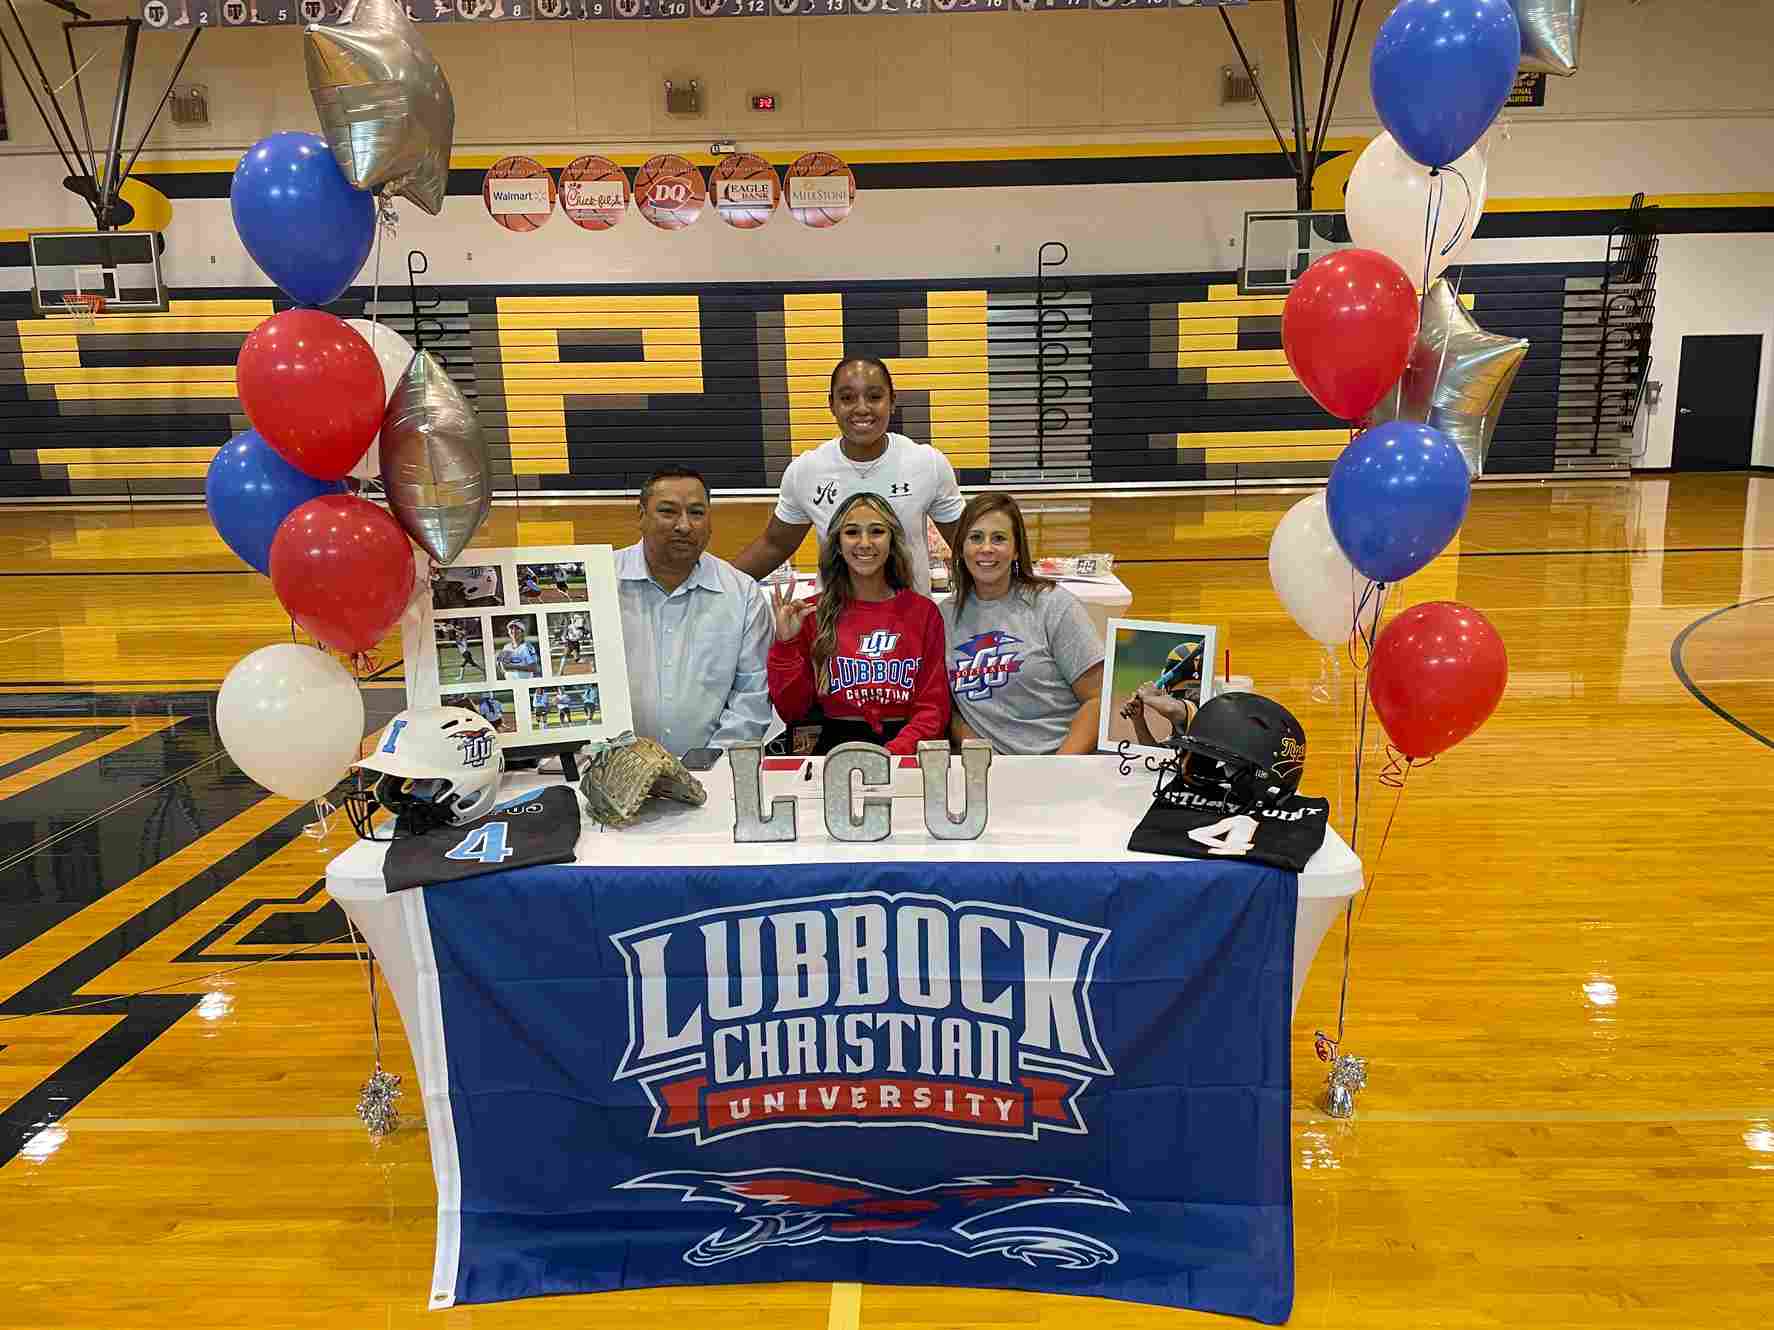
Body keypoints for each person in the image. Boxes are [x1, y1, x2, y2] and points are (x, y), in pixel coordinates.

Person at [734, 356, 965, 594]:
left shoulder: (928, 463)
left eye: (875, 397)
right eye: (847, 398)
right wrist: (716, 586)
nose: (862, 408)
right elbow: (774, 545)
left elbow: (967, 545)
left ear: (892, 402)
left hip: (910, 625)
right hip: (837, 624)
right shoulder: (805, 470)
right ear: (832, 405)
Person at [767, 491, 950, 755]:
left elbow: (933, 707)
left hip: (904, 747)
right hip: (832, 750)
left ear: (892, 541)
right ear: (838, 544)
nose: (864, 543)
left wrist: (895, 752)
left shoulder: (923, 613)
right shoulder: (809, 613)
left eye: (876, 531)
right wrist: (786, 646)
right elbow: (792, 711)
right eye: (852, 532)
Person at [616, 464, 773, 754]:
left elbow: (752, 696)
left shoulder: (743, 594)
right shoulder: (601, 582)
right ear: (641, 516)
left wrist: (708, 764)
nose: (684, 525)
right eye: (668, 511)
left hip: (712, 776)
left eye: (697, 513)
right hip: (611, 776)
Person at [942, 493, 1105, 755]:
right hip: (992, 771)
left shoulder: (1053, 605)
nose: (986, 548)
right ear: (961, 547)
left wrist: (1058, 768)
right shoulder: (944, 617)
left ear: (1017, 549)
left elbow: (1097, 698)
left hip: (1061, 760)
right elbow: (951, 710)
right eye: (975, 537)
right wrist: (981, 755)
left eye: (999, 538)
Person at [1121, 642, 1201, 747]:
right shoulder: (1180, 726)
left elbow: (1172, 709)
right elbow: (1158, 756)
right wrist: (1139, 721)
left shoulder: (1198, 703)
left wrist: (1149, 697)